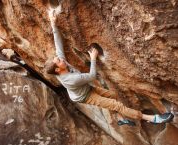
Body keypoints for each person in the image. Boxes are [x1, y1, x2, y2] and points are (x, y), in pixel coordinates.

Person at [45, 9, 174, 126]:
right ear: (58, 69)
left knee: (113, 96)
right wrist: (93, 59)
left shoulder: (61, 64)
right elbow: (91, 76)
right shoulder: (70, 79)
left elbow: (58, 46)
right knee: (116, 105)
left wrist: (53, 23)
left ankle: (122, 119)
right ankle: (153, 119)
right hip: (85, 96)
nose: (60, 58)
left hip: (85, 88)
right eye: (58, 60)